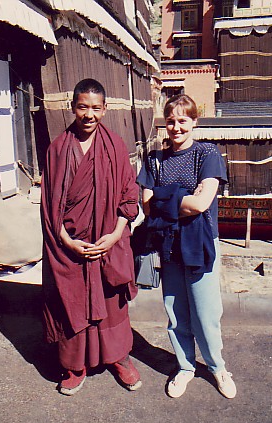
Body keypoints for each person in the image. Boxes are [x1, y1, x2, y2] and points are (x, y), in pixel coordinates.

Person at [41, 78, 141, 395]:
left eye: (96, 108)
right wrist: (67, 242)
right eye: (83, 106)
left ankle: (118, 359)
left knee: (111, 303)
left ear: (105, 109)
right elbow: (49, 205)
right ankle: (74, 366)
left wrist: (114, 236)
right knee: (72, 303)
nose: (89, 114)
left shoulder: (115, 146)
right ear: (73, 107)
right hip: (70, 246)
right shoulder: (57, 149)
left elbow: (129, 197)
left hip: (107, 243)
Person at [137, 94, 236, 399]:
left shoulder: (207, 154)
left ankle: (218, 367)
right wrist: (179, 197)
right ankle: (185, 367)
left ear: (194, 121)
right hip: (168, 241)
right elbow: (147, 205)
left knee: (205, 311)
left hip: (201, 240)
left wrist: (165, 197)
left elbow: (202, 203)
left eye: (183, 120)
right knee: (176, 310)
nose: (176, 127)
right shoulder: (154, 159)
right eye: (171, 120)